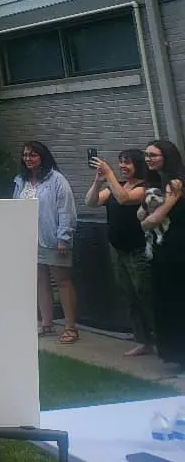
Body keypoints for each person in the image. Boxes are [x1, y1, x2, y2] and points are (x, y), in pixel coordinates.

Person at [86, 148, 153, 356]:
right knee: (129, 296)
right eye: (121, 162)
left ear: (138, 165)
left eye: (127, 162)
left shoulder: (145, 188)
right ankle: (143, 341)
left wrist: (109, 174)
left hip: (139, 250)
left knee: (145, 294)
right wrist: (98, 182)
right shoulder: (117, 186)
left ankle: (164, 338)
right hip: (119, 250)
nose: (122, 166)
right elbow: (91, 202)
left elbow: (124, 199)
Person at [13, 142, 79, 344]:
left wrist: (64, 237)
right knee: (40, 281)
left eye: (33, 155)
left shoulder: (57, 179)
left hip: (52, 238)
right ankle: (47, 323)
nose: (28, 159)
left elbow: (66, 209)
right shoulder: (20, 180)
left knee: (62, 281)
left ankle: (70, 327)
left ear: (43, 157)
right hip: (29, 239)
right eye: (25, 155)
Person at [141, 140, 185, 372]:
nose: (148, 159)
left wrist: (146, 222)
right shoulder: (156, 183)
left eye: (153, 155)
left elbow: (157, 217)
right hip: (162, 249)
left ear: (167, 157)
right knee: (166, 301)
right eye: (146, 155)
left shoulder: (175, 183)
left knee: (177, 301)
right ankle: (175, 353)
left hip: (177, 248)